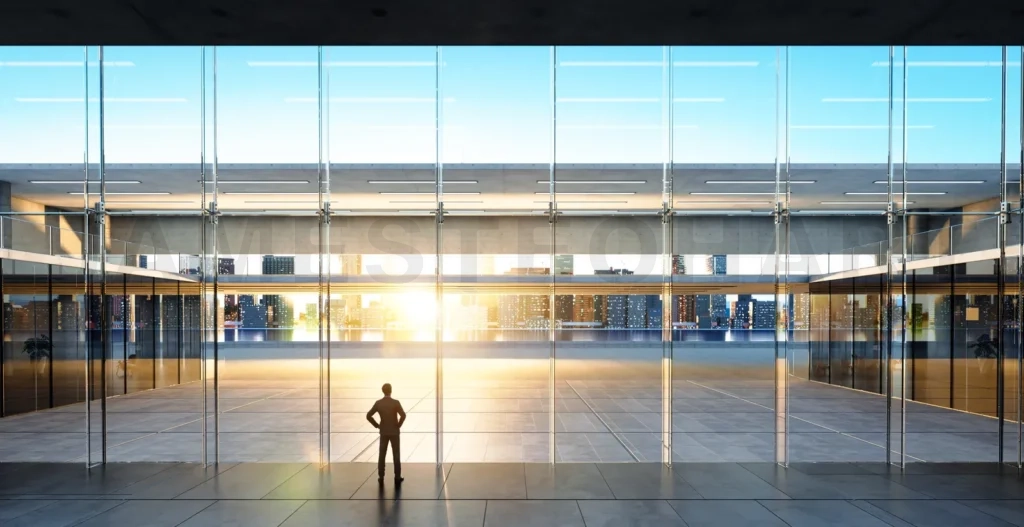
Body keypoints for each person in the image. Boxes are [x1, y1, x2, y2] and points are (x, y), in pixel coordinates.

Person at [366, 383, 406, 484]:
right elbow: (403, 415)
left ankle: (381, 476)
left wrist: (377, 425)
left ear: (383, 391)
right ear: (391, 390)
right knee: (396, 454)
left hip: (383, 431)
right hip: (394, 432)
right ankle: (397, 476)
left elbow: (368, 415)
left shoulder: (378, 403)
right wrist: (398, 425)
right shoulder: (396, 403)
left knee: (382, 454)